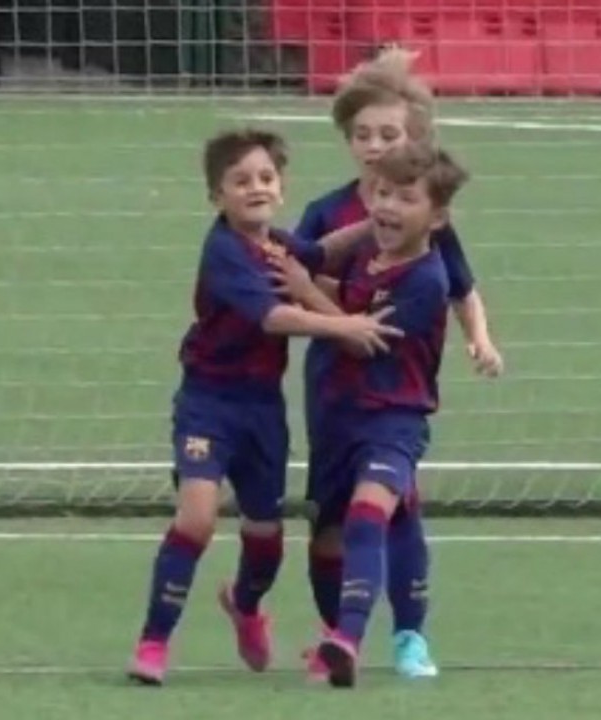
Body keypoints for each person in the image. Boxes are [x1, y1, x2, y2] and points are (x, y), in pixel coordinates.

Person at [126, 128, 401, 686]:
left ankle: (246, 605)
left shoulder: (276, 242)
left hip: (262, 411)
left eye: (265, 178)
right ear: (217, 195)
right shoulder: (224, 251)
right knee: (197, 518)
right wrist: (341, 324)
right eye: (240, 180)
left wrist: (383, 221)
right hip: (209, 403)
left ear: (280, 188)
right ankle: (153, 643)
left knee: (265, 533)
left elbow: (321, 253)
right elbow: (275, 317)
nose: (255, 188)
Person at [292, 47, 503, 681]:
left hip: (392, 400)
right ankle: (336, 638)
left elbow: (458, 288)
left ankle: (406, 635)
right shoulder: (331, 211)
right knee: (327, 526)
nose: (376, 146)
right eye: (364, 135)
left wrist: (481, 339)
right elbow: (300, 266)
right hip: (331, 395)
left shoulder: (426, 234)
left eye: (390, 134)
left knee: (388, 507)